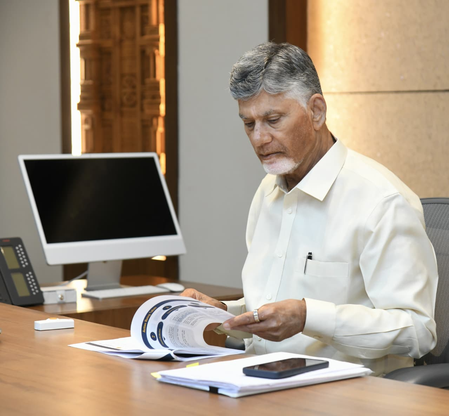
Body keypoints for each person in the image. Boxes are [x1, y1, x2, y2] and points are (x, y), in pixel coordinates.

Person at [181, 42, 438, 376]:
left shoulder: (381, 201)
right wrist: (221, 313)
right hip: (260, 379)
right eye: (249, 124)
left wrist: (308, 317)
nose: (259, 139)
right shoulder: (267, 192)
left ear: (316, 111)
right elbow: (274, 310)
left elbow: (417, 331)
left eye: (273, 120)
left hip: (348, 392)